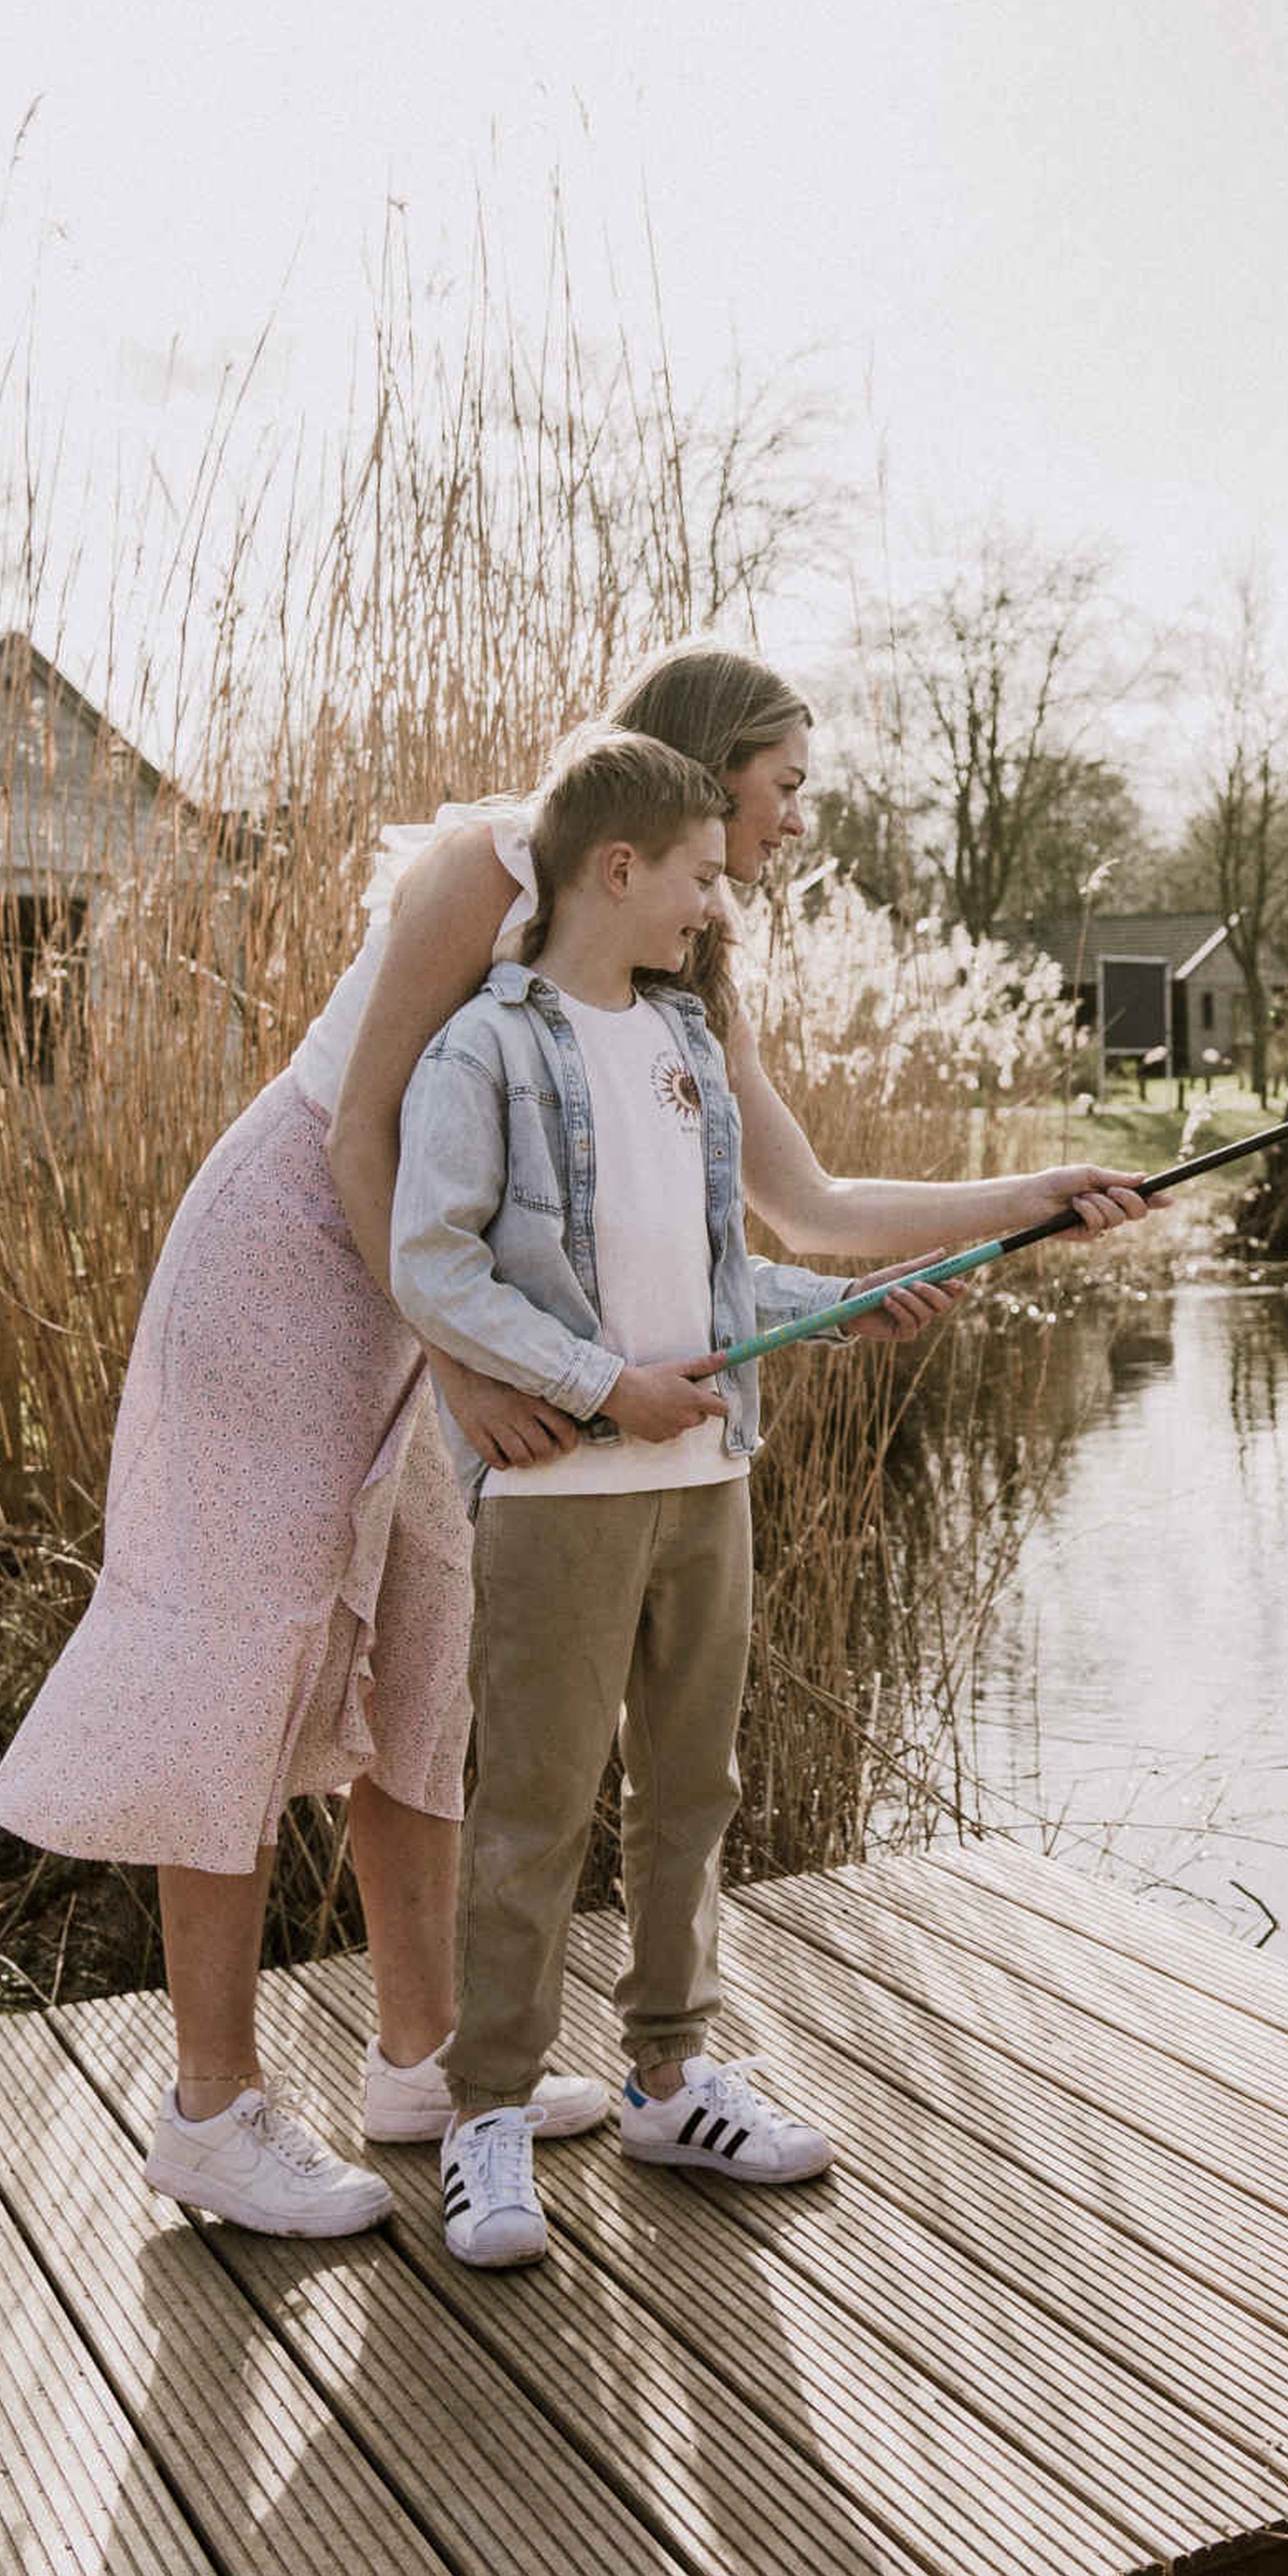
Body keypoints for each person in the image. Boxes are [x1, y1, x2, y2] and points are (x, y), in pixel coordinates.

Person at [0, 642, 1147, 2235]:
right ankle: (211, 2112)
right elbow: (365, 1123)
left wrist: (1038, 1199)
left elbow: (804, 1205)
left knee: (428, 1661)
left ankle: (424, 2055)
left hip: (455, 1319)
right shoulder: (493, 871)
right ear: (704, 772)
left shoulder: (668, 967)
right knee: (242, 1654)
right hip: (296, 1270)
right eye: (785, 788)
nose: (795, 824)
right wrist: (465, 1361)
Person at [395, 731, 859, 2264]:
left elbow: (712, 1276)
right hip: (571, 1495)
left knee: (692, 1794)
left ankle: (668, 2076)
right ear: (618, 867)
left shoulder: (680, 1046)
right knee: (532, 1812)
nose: (715, 913)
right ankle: (489, 2120)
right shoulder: (490, 1051)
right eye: (701, 882)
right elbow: (434, 1265)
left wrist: (860, 1295)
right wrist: (603, 1389)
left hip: (706, 1479)